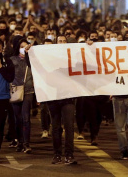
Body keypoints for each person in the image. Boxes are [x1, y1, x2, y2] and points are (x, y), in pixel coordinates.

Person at [47, 35, 77, 164]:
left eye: (64, 41)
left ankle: (69, 154)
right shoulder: (49, 57)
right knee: (56, 127)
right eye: (60, 41)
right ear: (56, 43)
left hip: (68, 98)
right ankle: (57, 154)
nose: (62, 43)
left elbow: (86, 57)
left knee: (69, 126)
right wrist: (27, 52)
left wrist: (89, 45)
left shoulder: (72, 57)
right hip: (53, 97)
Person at [10, 38, 35, 154]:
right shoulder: (13, 59)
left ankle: (26, 143)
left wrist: (30, 54)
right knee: (17, 118)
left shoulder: (32, 60)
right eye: (22, 46)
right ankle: (19, 141)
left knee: (26, 118)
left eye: (26, 46)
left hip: (28, 91)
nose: (24, 48)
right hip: (16, 90)